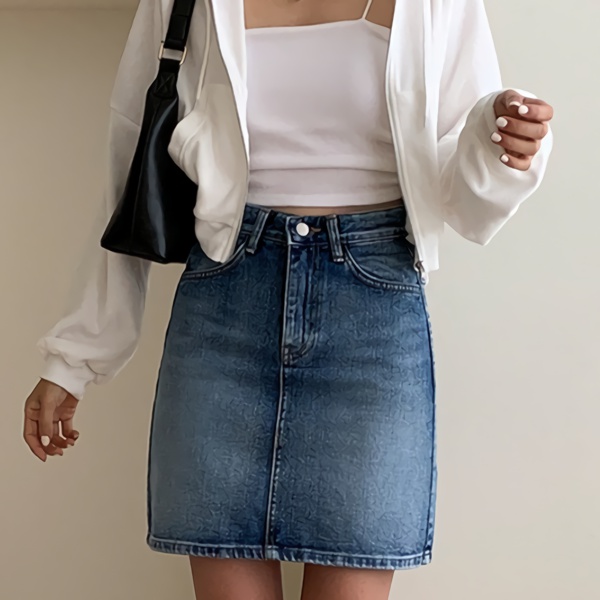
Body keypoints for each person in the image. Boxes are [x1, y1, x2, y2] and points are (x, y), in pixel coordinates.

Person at [22, 1, 554, 599]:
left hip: (372, 318)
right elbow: (131, 159)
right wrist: (75, 355)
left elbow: (459, 183)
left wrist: (500, 144)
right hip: (223, 309)